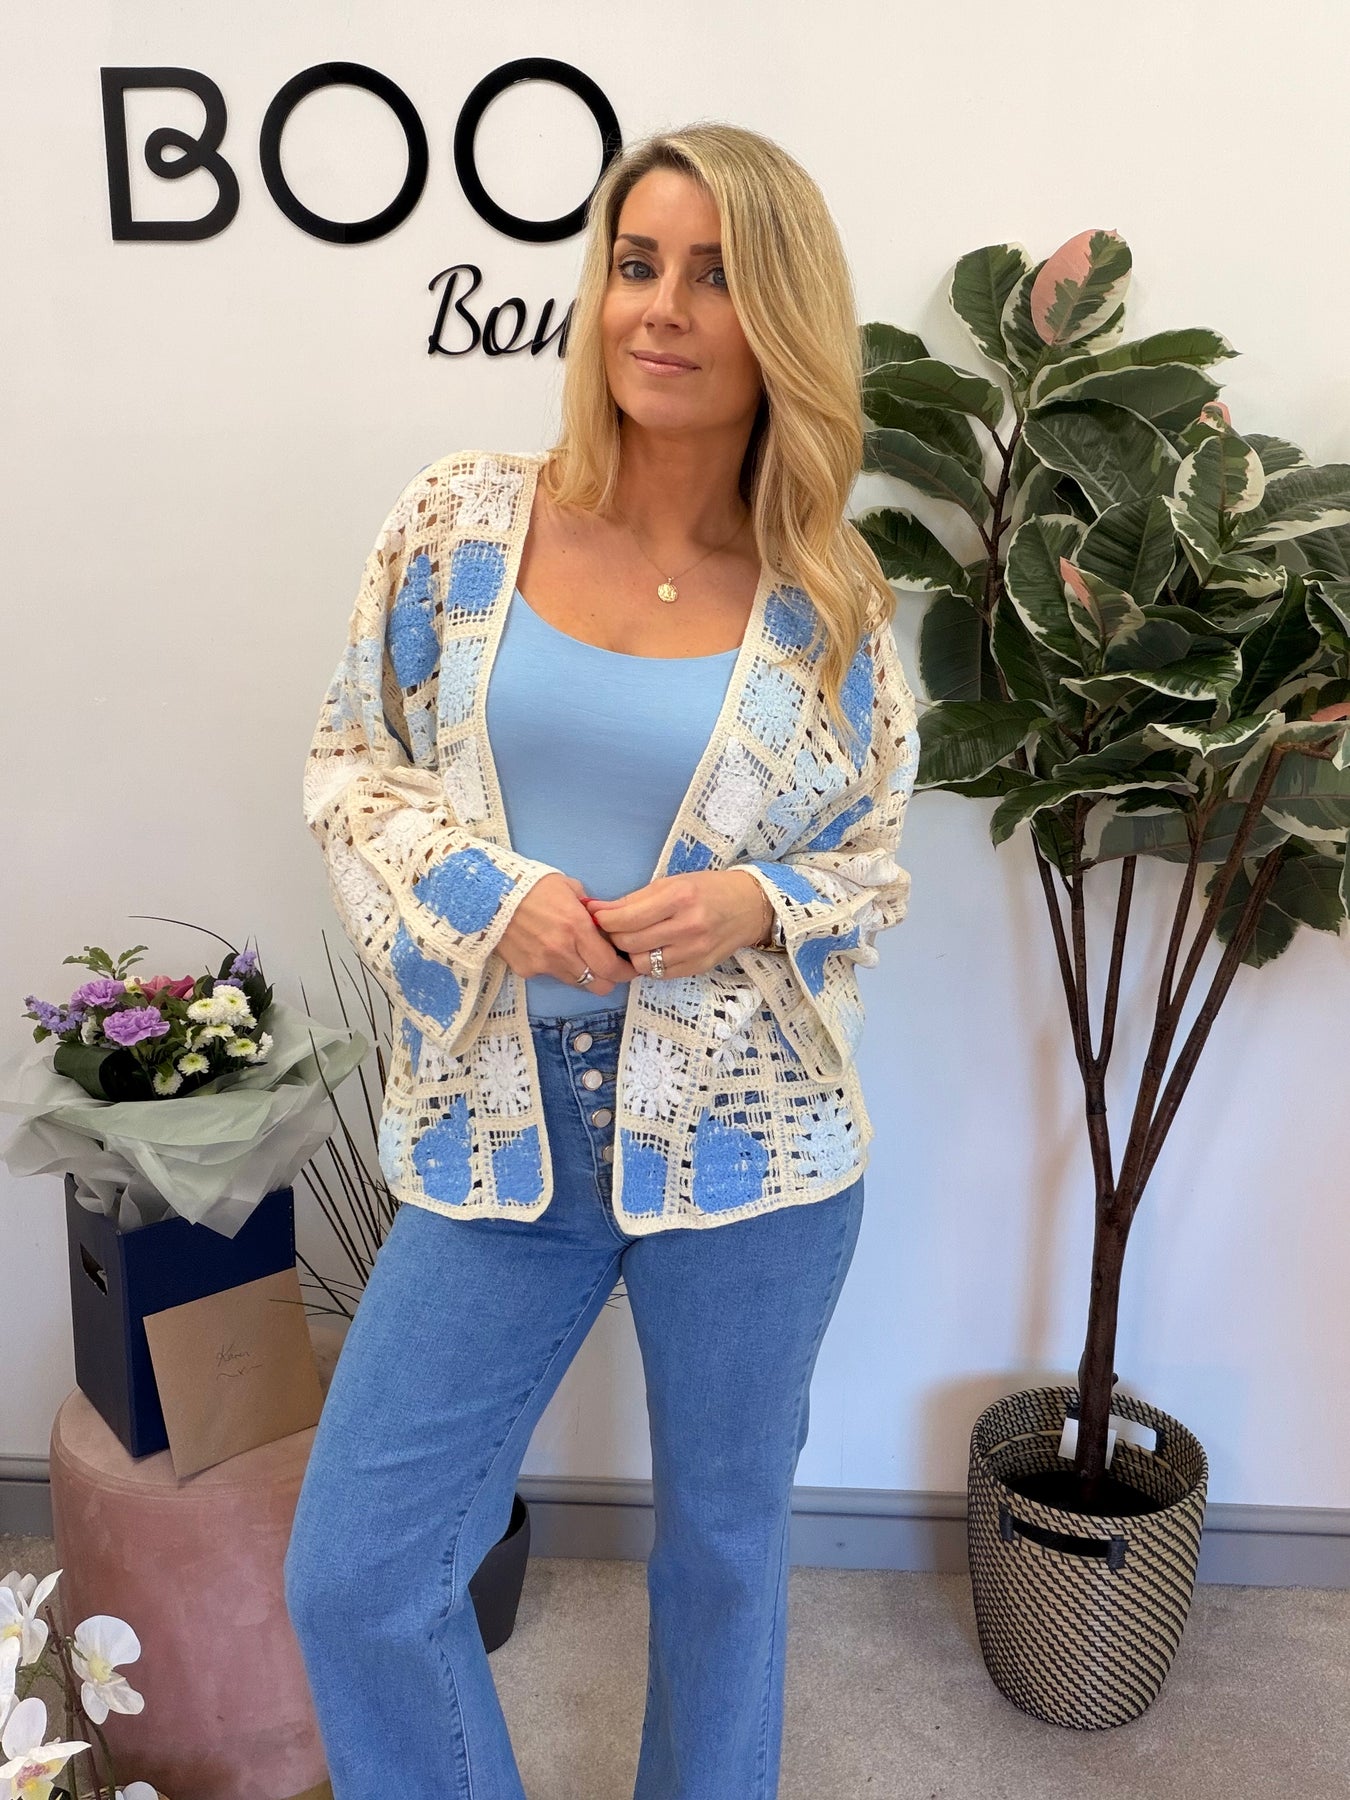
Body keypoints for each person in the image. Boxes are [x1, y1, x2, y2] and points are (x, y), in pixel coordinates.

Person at [285, 121, 920, 1800]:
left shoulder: (829, 603)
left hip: (754, 1142)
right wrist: (486, 893)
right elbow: (352, 766)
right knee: (355, 1576)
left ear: (781, 318)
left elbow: (867, 863)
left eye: (713, 275)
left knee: (723, 1557)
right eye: (636, 264)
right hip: (503, 1119)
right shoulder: (461, 524)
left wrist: (756, 903)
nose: (659, 307)